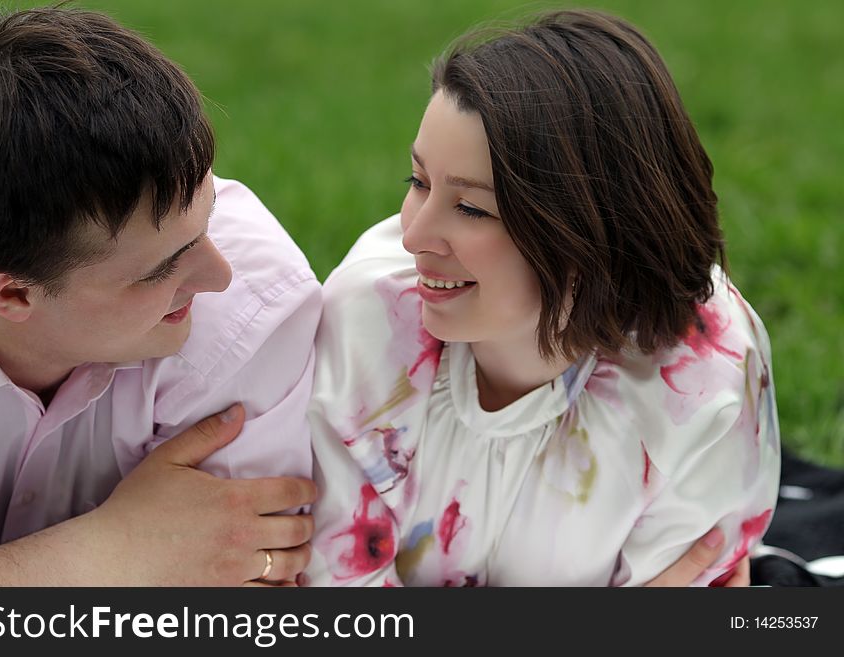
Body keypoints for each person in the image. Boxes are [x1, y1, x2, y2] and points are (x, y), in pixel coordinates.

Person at [303, 9, 779, 586]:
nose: (413, 237)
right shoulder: (369, 316)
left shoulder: (703, 384)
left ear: (594, 233)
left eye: (472, 208)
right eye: (418, 182)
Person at [0, 7, 319, 585]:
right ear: (12, 294)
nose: (219, 275)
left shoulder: (249, 309)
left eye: (206, 221)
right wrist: (106, 554)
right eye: (162, 269)